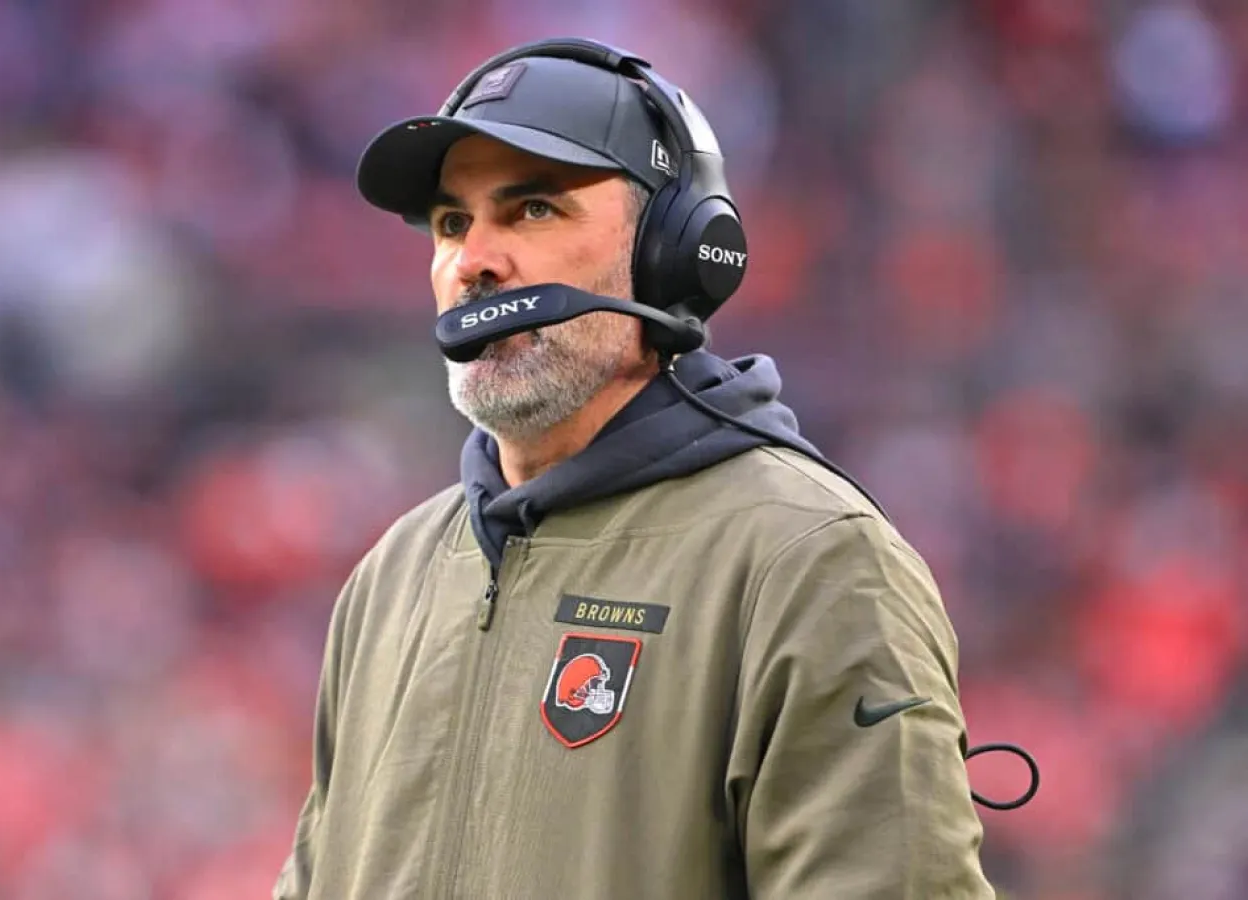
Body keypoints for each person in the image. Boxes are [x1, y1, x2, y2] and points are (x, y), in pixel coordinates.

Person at [274, 37, 1019, 900]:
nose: (472, 260)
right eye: (451, 222)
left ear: (677, 250)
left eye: (534, 210)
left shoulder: (809, 562)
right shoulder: (392, 577)